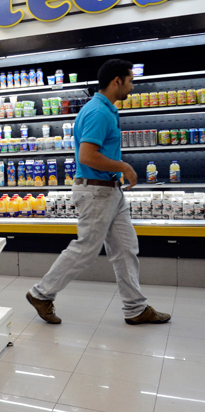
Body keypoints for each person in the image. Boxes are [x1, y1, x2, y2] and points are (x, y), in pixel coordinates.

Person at [25, 59, 170, 325]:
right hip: (96, 192)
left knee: (126, 249)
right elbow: (87, 155)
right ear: (117, 81)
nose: (132, 87)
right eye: (130, 81)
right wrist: (124, 166)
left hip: (110, 192)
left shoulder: (106, 109)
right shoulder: (98, 112)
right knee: (86, 249)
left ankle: (135, 308)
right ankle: (41, 294)